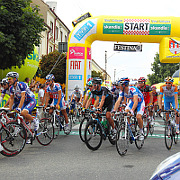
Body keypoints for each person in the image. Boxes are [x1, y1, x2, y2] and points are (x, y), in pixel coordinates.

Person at [7, 72, 38, 144]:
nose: (8, 80)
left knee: (23, 112)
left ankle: (35, 120)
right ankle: (29, 135)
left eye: (10, 79)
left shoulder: (21, 85)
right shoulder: (11, 88)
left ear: (15, 79)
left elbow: (23, 97)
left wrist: (19, 108)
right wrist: (9, 108)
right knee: (25, 120)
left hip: (30, 100)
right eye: (8, 79)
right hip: (24, 102)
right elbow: (11, 99)